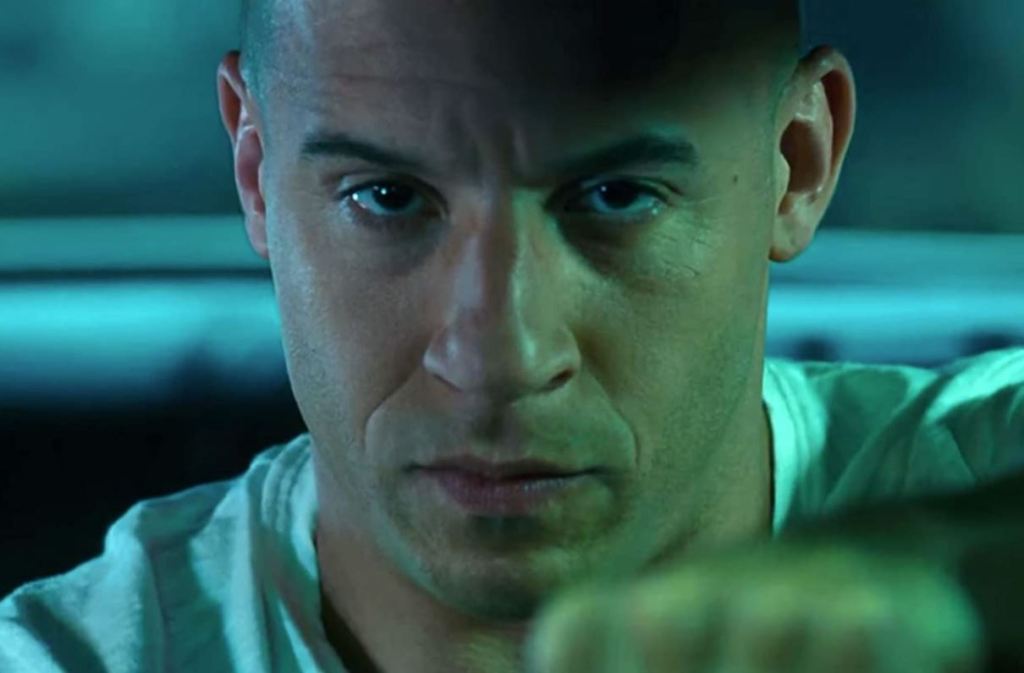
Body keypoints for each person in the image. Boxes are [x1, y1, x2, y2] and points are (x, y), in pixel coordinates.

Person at [2, 1, 1022, 671]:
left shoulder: (976, 466)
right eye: (386, 197)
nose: (501, 359)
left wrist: (959, 571)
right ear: (255, 170)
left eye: (616, 195)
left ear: (797, 161)